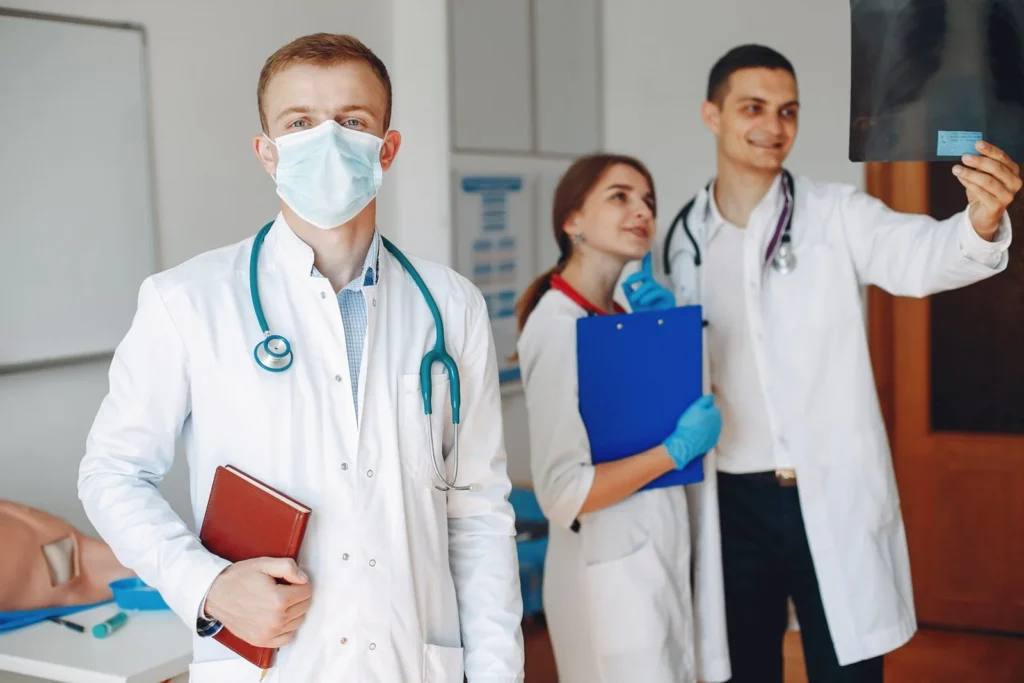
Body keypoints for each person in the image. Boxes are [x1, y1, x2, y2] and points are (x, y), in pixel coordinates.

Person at [78, 32, 524, 683]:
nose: (327, 140)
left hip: (413, 662)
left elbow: (478, 513)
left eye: (352, 121)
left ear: (387, 149)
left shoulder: (450, 306)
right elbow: (112, 472)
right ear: (268, 153)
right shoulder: (187, 301)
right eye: (300, 123)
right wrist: (207, 586)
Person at [624, 44, 1019, 683]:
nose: (774, 126)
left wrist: (980, 218)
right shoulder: (681, 239)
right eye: (753, 107)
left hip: (827, 493)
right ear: (712, 115)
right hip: (731, 504)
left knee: (848, 672)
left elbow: (919, 256)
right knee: (745, 669)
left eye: (788, 111)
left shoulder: (836, 213)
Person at [515, 154, 731, 683]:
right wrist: (674, 452)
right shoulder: (557, 326)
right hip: (604, 576)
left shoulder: (618, 320)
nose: (642, 211)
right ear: (573, 221)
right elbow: (562, 493)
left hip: (653, 560)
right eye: (620, 196)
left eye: (648, 201)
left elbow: (687, 412)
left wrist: (668, 336)